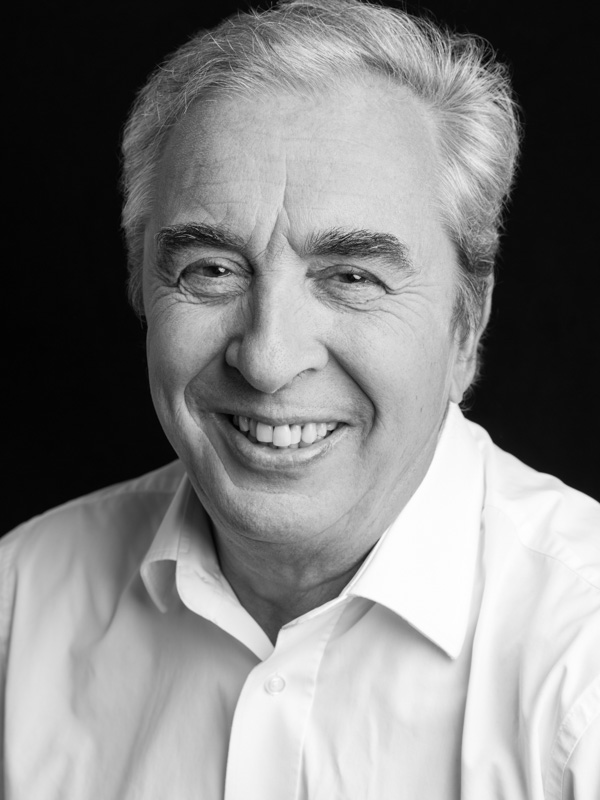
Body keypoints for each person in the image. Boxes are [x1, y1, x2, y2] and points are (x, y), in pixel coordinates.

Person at [1, 0, 598, 797]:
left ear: (466, 323)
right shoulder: (17, 608)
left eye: (351, 277)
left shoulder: (582, 664)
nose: (267, 360)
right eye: (212, 270)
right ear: (142, 292)